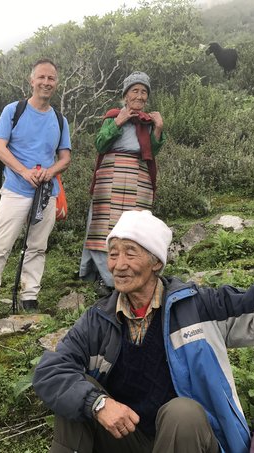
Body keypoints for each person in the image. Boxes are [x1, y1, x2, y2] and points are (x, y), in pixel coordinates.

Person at [34, 209, 254, 453]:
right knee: (78, 393)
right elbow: (51, 370)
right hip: (130, 439)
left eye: (130, 253)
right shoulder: (99, 319)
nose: (119, 265)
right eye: (113, 254)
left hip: (192, 441)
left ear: (156, 262)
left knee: (183, 412)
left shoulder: (198, 307)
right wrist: (98, 403)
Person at [0, 58, 72, 316]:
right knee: (2, 243)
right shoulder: (13, 111)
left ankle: (30, 296)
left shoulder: (60, 120)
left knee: (38, 246)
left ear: (56, 83)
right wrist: (25, 172)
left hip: (46, 193)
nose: (46, 82)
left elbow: (65, 158)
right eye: (42, 77)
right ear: (32, 81)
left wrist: (50, 172)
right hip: (16, 189)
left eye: (51, 78)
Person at [79, 71, 165, 296]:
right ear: (126, 95)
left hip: (138, 176)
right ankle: (106, 278)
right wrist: (119, 121)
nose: (140, 96)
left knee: (135, 226)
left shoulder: (147, 122)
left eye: (144, 92)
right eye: (135, 91)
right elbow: (100, 144)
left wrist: (158, 128)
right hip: (111, 175)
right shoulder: (113, 116)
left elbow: (152, 152)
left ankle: (134, 273)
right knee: (104, 226)